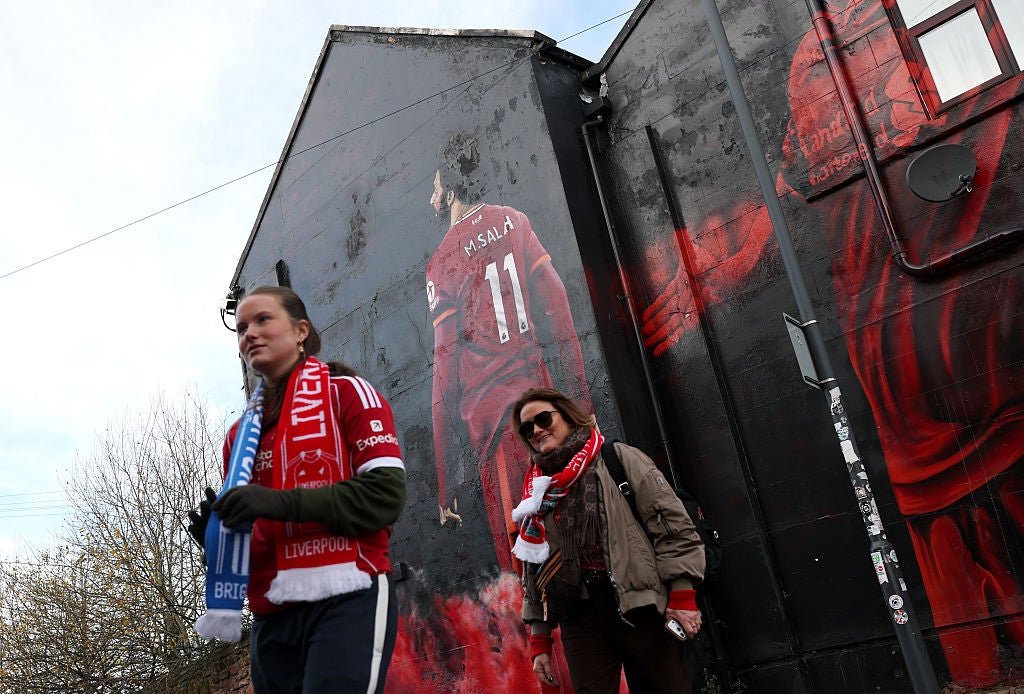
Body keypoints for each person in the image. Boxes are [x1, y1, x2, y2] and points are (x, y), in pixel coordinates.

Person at [187, 285, 406, 693]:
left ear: (301, 330)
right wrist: (218, 541)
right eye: (241, 328)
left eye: (263, 320)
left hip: (348, 595)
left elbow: (385, 496)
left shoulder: (348, 394)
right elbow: (261, 537)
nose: (249, 333)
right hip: (271, 616)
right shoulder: (238, 437)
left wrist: (277, 503)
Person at [426, 132, 592, 573]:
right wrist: (582, 406)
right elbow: (559, 304)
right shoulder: (514, 221)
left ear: (450, 188)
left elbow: (444, 373)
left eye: (435, 187)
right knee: (576, 540)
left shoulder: (443, 261)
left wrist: (446, 482)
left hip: (498, 430)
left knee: (527, 564)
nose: (432, 198)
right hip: (546, 413)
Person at [509, 387, 705, 693]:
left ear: (567, 417)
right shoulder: (536, 490)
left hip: (640, 603)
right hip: (580, 616)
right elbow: (534, 568)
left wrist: (682, 595)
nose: (536, 430)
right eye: (526, 429)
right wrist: (540, 638)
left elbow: (672, 528)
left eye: (543, 419)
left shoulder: (616, 458)